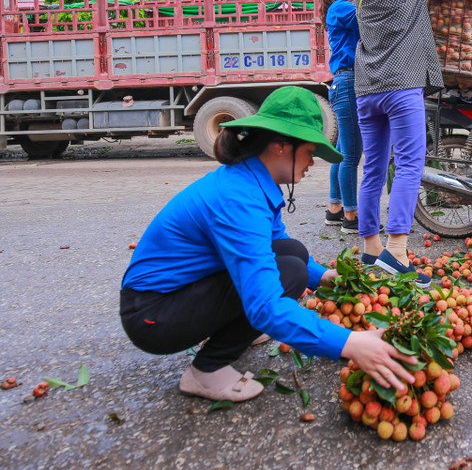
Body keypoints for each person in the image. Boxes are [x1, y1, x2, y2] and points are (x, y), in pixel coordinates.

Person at [120, 87, 416, 402]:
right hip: (153, 315)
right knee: (289, 274)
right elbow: (265, 307)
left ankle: (235, 331)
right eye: (309, 151)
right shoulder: (239, 199)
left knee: (294, 254)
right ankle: (206, 371)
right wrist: (351, 343)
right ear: (281, 146)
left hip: (182, 293)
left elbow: (277, 242)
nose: (312, 162)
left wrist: (324, 277)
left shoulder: (250, 180)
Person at [345, 0, 472, 285]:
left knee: (373, 167)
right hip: (401, 85)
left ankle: (371, 248)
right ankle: (397, 251)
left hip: (367, 89)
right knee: (409, 165)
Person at [318, 0, 363, 234]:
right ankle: (351, 216)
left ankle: (335, 209)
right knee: (351, 155)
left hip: (343, 83)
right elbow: (368, 19)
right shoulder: (343, 7)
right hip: (348, 83)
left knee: (343, 152)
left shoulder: (338, 8)